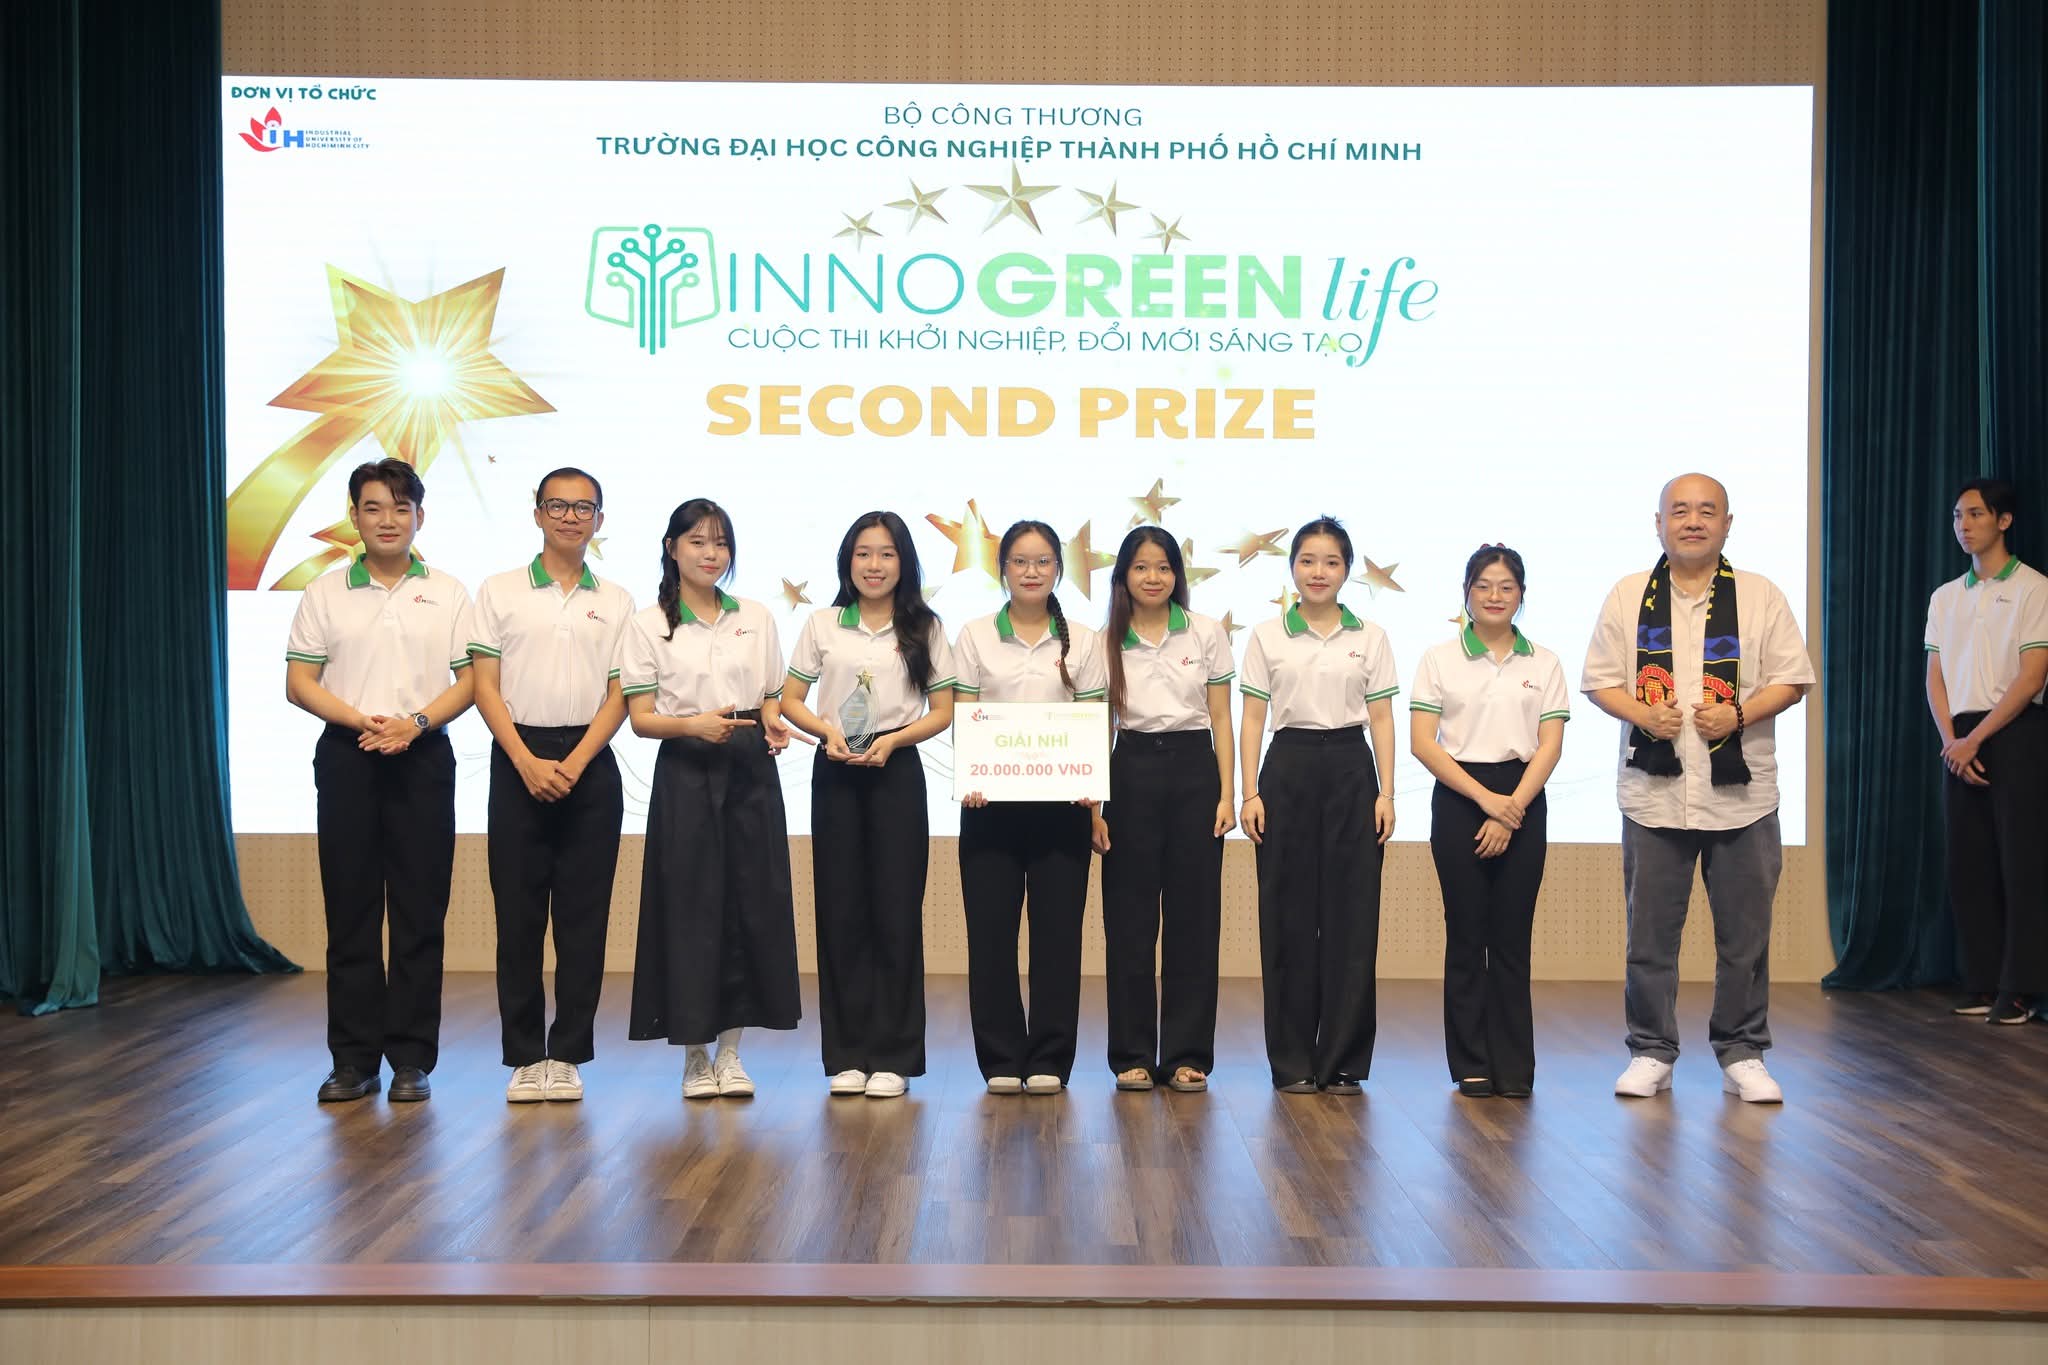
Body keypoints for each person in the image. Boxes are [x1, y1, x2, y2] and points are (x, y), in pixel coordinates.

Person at [1582, 473, 1813, 1104]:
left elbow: (1792, 679)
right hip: (1654, 797)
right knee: (1650, 938)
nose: (1692, 521)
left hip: (1743, 798)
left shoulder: (1761, 595)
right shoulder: (1628, 594)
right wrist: (1642, 713)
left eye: (1706, 511)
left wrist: (1738, 713)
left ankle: (1743, 1052)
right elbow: (1599, 680)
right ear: (1657, 523)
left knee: (1745, 939)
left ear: (1727, 524)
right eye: (1679, 511)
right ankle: (1651, 1051)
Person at [285, 457, 473, 1103]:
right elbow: (299, 682)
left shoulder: (449, 591)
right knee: (351, 912)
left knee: (420, 912)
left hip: (423, 755)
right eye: (373, 507)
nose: (387, 519)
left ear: (420, 516)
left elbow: (471, 681)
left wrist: (413, 724)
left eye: (400, 507)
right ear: (354, 516)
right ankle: (353, 1062)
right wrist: (362, 720)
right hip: (349, 754)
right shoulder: (325, 591)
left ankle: (412, 1060)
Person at [618, 498, 800, 1099]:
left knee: (749, 904)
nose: (710, 553)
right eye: (697, 541)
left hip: (749, 765)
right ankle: (694, 1056)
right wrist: (692, 726)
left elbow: (770, 694)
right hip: (686, 764)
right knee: (689, 907)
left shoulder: (756, 616)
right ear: (672, 549)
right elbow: (641, 718)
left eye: (720, 543)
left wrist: (771, 720)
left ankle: (731, 1053)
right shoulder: (648, 623)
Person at [469, 468, 634, 1104]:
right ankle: (522, 1056)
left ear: (600, 520)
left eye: (583, 507)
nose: (570, 517)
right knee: (517, 918)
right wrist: (525, 760)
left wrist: (578, 760)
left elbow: (621, 693)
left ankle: (566, 1054)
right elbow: (484, 685)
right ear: (537, 513)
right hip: (517, 759)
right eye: (557, 506)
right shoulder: (499, 590)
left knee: (582, 919)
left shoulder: (616, 600)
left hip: (590, 762)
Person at [779, 511, 957, 1098]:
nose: (873, 565)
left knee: (896, 913)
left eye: (886, 554)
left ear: (904, 562)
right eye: (863, 553)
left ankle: (894, 1057)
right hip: (835, 769)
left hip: (895, 771)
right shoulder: (823, 623)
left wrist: (894, 741)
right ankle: (847, 1055)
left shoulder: (925, 627)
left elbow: (943, 710)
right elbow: (791, 699)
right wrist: (825, 732)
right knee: (841, 912)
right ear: (847, 561)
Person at [1238, 516, 1398, 1094]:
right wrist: (1249, 792)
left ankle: (1344, 1060)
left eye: (1331, 561)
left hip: (1353, 770)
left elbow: (1382, 718)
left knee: (1352, 919)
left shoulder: (1370, 636)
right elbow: (1252, 718)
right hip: (1288, 768)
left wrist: (1386, 792)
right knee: (1287, 919)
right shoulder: (1267, 635)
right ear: (1292, 568)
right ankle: (1292, 1062)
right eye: (1307, 560)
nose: (1319, 572)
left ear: (1347, 570)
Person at [954, 519, 1108, 1095]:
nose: (1031, 571)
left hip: (1062, 810)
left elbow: (1094, 722)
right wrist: (971, 774)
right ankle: (999, 1058)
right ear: (1003, 570)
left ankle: (1049, 1058)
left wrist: (1093, 795)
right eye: (1019, 561)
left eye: (1043, 561)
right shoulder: (974, 635)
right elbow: (966, 714)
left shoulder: (1083, 640)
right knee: (990, 938)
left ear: (1058, 570)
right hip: (988, 808)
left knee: (1058, 939)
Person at [1409, 545, 1569, 1099]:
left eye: (1506, 587)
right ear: (1467, 592)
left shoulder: (1544, 662)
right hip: (1461, 799)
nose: (1495, 596)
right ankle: (1471, 1063)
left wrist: (1512, 807)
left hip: (1524, 796)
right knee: (1466, 935)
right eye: (1483, 585)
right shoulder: (1439, 659)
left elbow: (1550, 746)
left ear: (1521, 594)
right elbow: (1423, 743)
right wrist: (1486, 801)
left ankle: (1514, 1065)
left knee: (1511, 938)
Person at [1092, 527, 1236, 1093]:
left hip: (1195, 770)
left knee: (1194, 920)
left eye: (1164, 567)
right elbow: (1099, 726)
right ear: (1123, 576)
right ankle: (1131, 1053)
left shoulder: (1206, 632)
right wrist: (1095, 807)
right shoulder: (1105, 640)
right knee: (1128, 921)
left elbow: (1221, 717)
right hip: (1128, 771)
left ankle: (1186, 1054)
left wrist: (1227, 793)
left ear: (1178, 574)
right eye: (1141, 567)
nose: (1153, 578)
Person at [1924, 477, 2048, 1024]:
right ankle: (1982, 979)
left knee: (2020, 862)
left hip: (2016, 731)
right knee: (1967, 863)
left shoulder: (2033, 588)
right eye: (1957, 516)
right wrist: (1952, 739)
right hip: (1958, 737)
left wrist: (1977, 738)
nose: (1963, 525)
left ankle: (2020, 988)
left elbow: (2032, 675)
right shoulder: (1945, 596)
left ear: (2004, 520)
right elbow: (1934, 676)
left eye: (1975, 514)